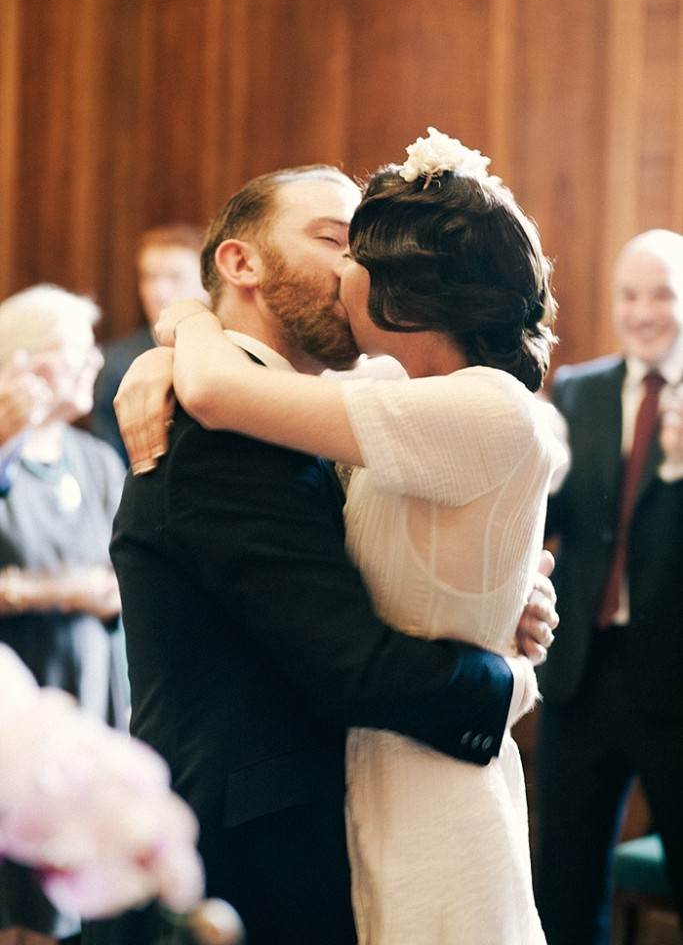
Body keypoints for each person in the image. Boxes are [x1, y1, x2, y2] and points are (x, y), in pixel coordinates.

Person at [112, 132, 564, 944]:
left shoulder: (360, 410)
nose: (357, 267)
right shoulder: (219, 437)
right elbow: (348, 662)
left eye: (366, 246)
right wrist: (507, 682)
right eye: (334, 239)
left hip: (374, 817)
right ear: (242, 264)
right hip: (246, 857)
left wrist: (501, 596)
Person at [535, 228, 683, 945]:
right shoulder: (578, 390)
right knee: (561, 892)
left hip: (676, 686)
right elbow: (546, 517)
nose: (643, 311)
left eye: (661, 294)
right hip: (580, 678)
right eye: (629, 295)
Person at [0, 285, 130, 945]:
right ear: (26, 361)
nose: (94, 367)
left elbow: (122, 582)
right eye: (77, 354)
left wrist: (39, 586)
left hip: (91, 699)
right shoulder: (2, 456)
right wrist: (47, 591)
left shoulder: (98, 460)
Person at [91, 223, 206, 462]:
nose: (159, 291)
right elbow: (107, 455)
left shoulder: (230, 353)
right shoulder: (115, 362)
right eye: (149, 277)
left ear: (207, 283)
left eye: (175, 277)